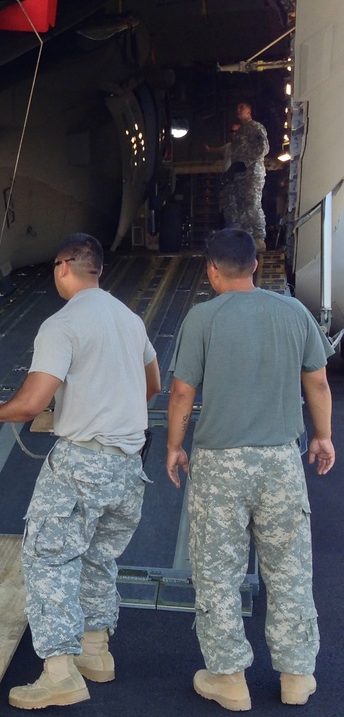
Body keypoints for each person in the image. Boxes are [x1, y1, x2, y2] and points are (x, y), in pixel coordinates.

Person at [0, 233, 160, 710]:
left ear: (63, 268)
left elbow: (34, 401)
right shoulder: (129, 319)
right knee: (98, 558)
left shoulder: (62, 324)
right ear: (97, 269)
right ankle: (96, 653)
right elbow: (152, 384)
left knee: (48, 558)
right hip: (129, 466)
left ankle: (59, 672)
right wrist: (108, 410)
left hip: (82, 463)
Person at [166, 228, 334, 711]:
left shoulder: (202, 317)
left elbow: (182, 392)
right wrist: (321, 437)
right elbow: (318, 384)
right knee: (290, 570)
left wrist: (176, 446)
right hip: (281, 458)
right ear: (256, 264)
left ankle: (229, 679)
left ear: (211, 270)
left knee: (218, 573)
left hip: (220, 463)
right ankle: (297, 677)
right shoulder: (294, 311)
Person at [224, 103, 269, 250]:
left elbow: (263, 148)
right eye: (236, 108)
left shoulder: (255, 127)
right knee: (242, 207)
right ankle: (248, 239)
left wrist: (247, 162)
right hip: (240, 174)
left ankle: (258, 237)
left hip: (252, 172)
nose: (237, 110)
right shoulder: (241, 131)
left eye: (241, 108)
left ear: (249, 111)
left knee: (252, 204)